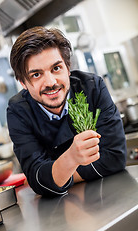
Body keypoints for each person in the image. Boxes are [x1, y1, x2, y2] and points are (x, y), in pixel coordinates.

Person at [7, 26, 127, 197]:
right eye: (36, 75)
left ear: (68, 68)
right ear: (23, 83)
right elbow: (36, 179)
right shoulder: (18, 111)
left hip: (113, 195)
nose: (50, 82)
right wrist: (71, 157)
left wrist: (59, 174)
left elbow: (115, 158)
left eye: (56, 68)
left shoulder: (93, 87)